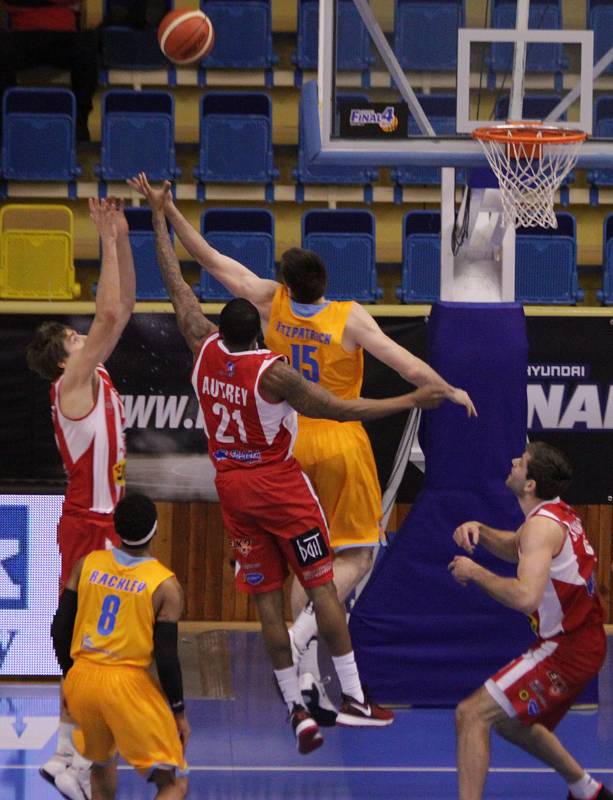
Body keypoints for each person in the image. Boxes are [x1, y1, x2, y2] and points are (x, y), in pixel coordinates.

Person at [127, 172, 477, 725]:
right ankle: (308, 637)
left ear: (287, 283)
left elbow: (213, 263)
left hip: (286, 445)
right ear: (325, 280)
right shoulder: (350, 317)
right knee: (358, 556)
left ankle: (308, 677)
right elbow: (401, 363)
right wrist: (444, 388)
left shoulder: (272, 304)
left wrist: (167, 212)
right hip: (337, 440)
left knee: (300, 567)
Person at [26, 198, 135, 800]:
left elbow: (121, 313)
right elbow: (110, 310)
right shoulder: (71, 385)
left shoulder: (94, 376)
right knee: (92, 650)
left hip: (105, 525)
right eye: (75, 336)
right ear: (63, 358)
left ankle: (71, 754)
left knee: (101, 650)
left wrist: (120, 239)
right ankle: (68, 753)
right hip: (89, 525)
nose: (84, 335)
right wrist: (104, 238)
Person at [449, 442, 610, 800]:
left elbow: (525, 597)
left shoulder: (540, 529)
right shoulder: (553, 514)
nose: (512, 462)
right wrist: (481, 529)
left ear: (530, 484)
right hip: (581, 641)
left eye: (520, 462)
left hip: (566, 649)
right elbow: (515, 546)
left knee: (470, 714)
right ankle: (587, 790)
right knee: (512, 721)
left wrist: (475, 571)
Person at [51, 493, 189, 800]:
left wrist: (70, 679)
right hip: (126, 684)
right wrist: (178, 712)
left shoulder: (86, 564)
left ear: (115, 527)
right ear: (155, 529)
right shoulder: (165, 584)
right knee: (173, 783)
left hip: (83, 680)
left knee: (101, 765)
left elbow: (59, 630)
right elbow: (166, 658)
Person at [0, 1, 98, 141]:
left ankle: (79, 122)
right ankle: (7, 122)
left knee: (87, 50)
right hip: (22, 35)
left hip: (63, 36)